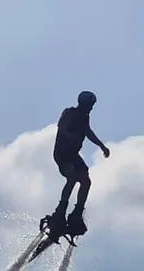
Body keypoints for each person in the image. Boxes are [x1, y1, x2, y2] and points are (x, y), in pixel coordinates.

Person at [48, 90, 110, 237]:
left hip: (73, 155)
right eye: (90, 105)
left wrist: (101, 146)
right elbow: (61, 127)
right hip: (63, 154)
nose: (92, 108)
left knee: (86, 181)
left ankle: (76, 213)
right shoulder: (70, 112)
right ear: (84, 103)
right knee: (72, 177)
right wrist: (71, 137)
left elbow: (88, 132)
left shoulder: (85, 117)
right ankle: (61, 210)